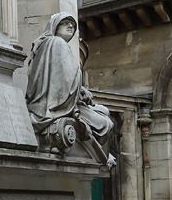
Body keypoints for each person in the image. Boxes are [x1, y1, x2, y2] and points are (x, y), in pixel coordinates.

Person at [26, 12, 114, 161]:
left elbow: (63, 80)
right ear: (54, 25)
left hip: (55, 104)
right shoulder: (57, 43)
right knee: (105, 123)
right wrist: (80, 92)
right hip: (58, 107)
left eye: (72, 24)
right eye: (65, 22)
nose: (71, 26)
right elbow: (67, 82)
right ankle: (102, 156)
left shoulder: (47, 44)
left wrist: (80, 91)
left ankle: (103, 155)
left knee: (103, 113)